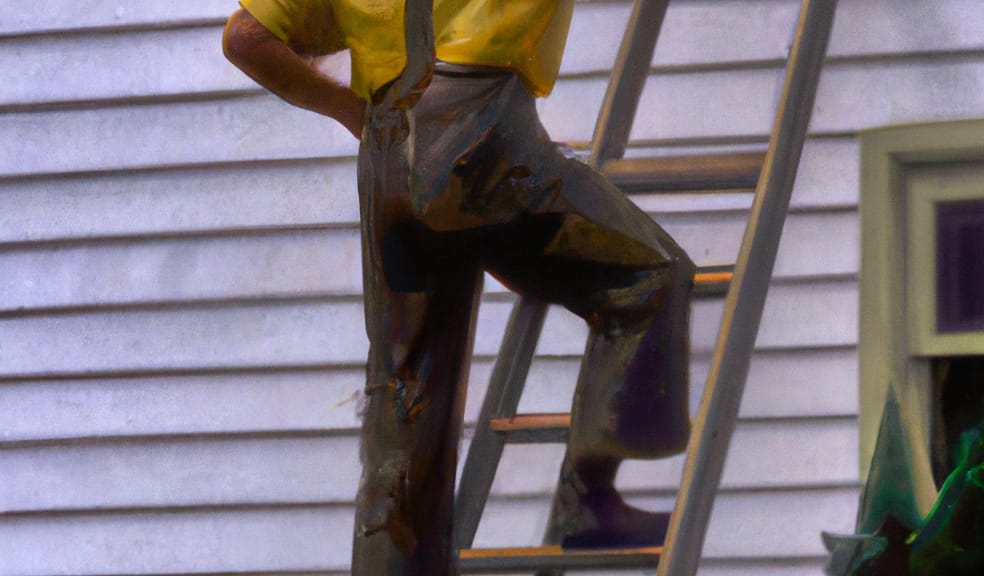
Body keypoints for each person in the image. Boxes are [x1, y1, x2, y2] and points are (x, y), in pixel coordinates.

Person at [222, 2, 696, 574]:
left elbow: (245, 39)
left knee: (406, 393)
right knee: (647, 275)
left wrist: (356, 114)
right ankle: (588, 499)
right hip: (483, 135)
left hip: (390, 154)